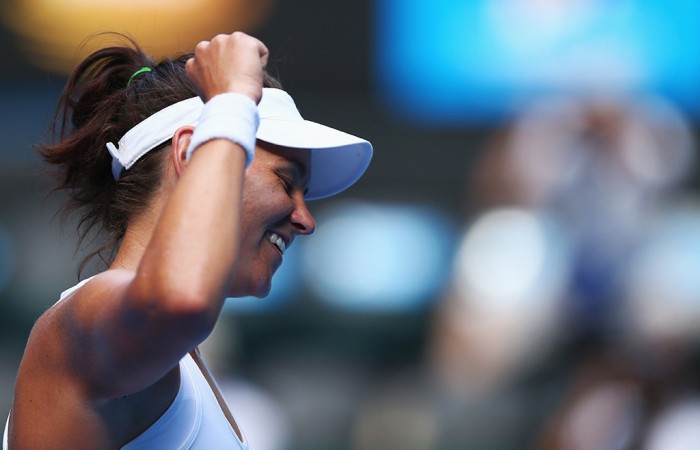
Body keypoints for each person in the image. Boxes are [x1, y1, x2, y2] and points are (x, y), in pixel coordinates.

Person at [3, 31, 372, 449]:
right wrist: (231, 102)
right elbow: (182, 299)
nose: (305, 220)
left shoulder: (182, 363)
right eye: (286, 183)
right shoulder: (88, 315)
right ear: (191, 153)